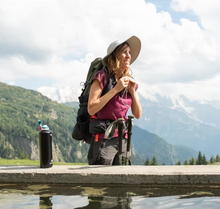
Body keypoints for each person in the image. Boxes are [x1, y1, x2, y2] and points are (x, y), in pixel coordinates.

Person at [87, 35, 142, 165]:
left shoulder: (129, 81)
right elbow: (91, 108)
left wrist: (132, 91)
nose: (129, 56)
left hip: (123, 138)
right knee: (101, 179)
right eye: (124, 52)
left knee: (122, 180)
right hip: (104, 138)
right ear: (114, 57)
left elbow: (138, 114)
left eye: (129, 52)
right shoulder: (102, 76)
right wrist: (116, 89)